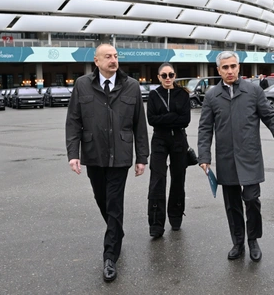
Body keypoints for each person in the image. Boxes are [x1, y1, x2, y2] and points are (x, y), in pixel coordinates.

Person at [65, 43, 149, 283]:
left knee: (114, 202)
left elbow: (139, 125)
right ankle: (117, 231)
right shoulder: (82, 85)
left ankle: (110, 256)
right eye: (108, 56)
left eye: (115, 56)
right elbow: (73, 121)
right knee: (101, 199)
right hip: (94, 153)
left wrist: (142, 157)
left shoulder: (131, 86)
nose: (113, 60)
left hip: (121, 155)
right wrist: (73, 153)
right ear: (96, 61)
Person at [197, 51, 274, 262]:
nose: (230, 71)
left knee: (252, 200)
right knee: (232, 205)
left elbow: (270, 117)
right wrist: (204, 157)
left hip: (250, 157)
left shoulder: (253, 91)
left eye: (233, 66)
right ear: (218, 70)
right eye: (225, 67)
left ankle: (253, 240)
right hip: (226, 159)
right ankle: (238, 242)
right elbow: (204, 129)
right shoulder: (211, 96)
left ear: (239, 67)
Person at [146, 63, 192, 238]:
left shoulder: (183, 94)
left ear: (175, 76)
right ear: (158, 77)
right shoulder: (153, 95)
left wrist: (164, 118)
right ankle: (156, 224)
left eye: (170, 75)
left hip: (179, 139)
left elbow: (185, 120)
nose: (167, 78)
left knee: (178, 178)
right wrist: (174, 117)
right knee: (157, 179)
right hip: (159, 139)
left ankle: (176, 216)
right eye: (164, 75)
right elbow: (151, 119)